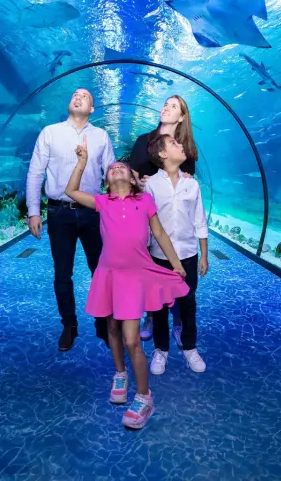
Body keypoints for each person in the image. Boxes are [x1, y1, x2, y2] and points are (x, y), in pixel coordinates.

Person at [65, 137, 189, 429]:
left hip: (135, 276)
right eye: (111, 169)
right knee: (111, 328)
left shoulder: (144, 201)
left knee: (131, 339)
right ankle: (120, 373)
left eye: (122, 167)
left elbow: (159, 234)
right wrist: (82, 162)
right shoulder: (101, 202)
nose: (116, 168)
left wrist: (175, 263)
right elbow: (70, 191)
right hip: (108, 275)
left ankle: (144, 397)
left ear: (134, 179)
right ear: (106, 183)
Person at [26, 88, 115, 351]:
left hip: (92, 211)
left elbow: (111, 175)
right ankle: (69, 325)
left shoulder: (101, 136)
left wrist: (117, 209)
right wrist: (33, 211)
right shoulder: (50, 132)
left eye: (84, 96)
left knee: (100, 270)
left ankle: (103, 323)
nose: (77, 96)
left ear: (92, 109)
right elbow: (35, 173)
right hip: (59, 212)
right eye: (74, 94)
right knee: (62, 272)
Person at [127, 95, 199, 342]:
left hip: (174, 221)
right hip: (145, 216)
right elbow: (131, 174)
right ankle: (151, 315)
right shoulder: (143, 140)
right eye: (165, 104)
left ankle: (178, 320)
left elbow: (188, 180)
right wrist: (140, 183)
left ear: (182, 116)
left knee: (178, 272)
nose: (166, 107)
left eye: (173, 106)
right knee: (151, 270)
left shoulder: (185, 149)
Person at [144, 134, 209, 374]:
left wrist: (204, 255)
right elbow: (146, 224)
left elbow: (199, 220)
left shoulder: (192, 184)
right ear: (163, 154)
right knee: (159, 305)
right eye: (174, 143)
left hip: (188, 253)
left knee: (188, 302)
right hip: (159, 255)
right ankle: (161, 349)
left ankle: (190, 348)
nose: (181, 145)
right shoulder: (151, 185)